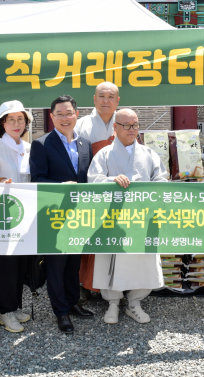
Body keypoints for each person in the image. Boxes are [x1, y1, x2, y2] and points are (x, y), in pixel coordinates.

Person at [87, 108, 167, 324]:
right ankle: (112, 302)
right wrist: (111, 180)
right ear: (115, 127)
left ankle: (135, 301)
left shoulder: (149, 154)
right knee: (109, 258)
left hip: (142, 217)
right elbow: (93, 180)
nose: (132, 130)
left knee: (142, 259)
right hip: (113, 217)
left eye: (136, 125)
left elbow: (161, 180)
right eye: (127, 125)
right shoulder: (104, 154)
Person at [30, 95, 95, 334]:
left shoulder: (85, 143)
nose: (65, 118)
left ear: (76, 114)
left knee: (73, 263)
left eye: (69, 113)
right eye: (60, 114)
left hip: (80, 214)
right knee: (56, 266)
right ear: (52, 117)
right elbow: (36, 179)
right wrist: (60, 186)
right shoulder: (41, 143)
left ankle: (72, 302)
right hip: (54, 214)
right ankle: (61, 312)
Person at [0, 100, 33, 333]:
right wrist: (0, 181)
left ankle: (15, 306)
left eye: (20, 119)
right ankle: (4, 311)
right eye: (10, 119)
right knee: (6, 266)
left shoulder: (28, 147)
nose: (16, 123)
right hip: (5, 215)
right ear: (3, 123)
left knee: (21, 265)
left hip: (27, 214)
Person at [75, 81, 120, 293]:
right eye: (102, 96)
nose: (106, 100)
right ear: (94, 99)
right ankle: (85, 286)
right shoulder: (81, 124)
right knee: (88, 238)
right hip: (91, 189)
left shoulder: (124, 122)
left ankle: (116, 286)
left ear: (117, 101)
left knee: (114, 238)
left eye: (111, 96)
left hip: (120, 192)